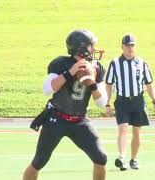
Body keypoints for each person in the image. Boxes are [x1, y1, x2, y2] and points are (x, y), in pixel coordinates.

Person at [22, 29, 108, 180]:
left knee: (101, 158)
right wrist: (70, 73)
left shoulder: (96, 67)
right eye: (90, 46)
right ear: (80, 47)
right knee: (39, 161)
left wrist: (92, 84)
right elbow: (47, 89)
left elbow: (102, 103)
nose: (93, 49)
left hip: (79, 120)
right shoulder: (61, 63)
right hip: (56, 118)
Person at [104, 34, 155, 171]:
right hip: (122, 101)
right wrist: (107, 103)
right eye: (127, 45)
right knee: (122, 129)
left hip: (138, 101)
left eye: (132, 45)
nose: (130, 48)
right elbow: (109, 84)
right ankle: (121, 157)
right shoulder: (115, 63)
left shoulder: (141, 63)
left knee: (137, 132)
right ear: (122, 47)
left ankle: (133, 159)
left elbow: (149, 84)